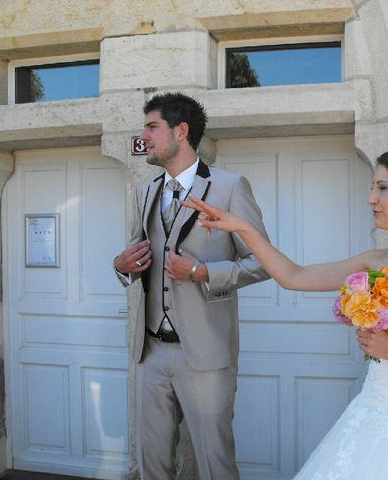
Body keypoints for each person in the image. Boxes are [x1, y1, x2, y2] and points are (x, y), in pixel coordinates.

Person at [183, 144, 388, 479]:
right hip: (370, 414)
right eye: (372, 187)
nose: (371, 198)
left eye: (383, 187)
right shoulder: (376, 261)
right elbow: (293, 276)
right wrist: (242, 227)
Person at [113, 92, 269, 480]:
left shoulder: (230, 187)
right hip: (150, 352)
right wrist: (121, 265)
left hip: (205, 353)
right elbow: (134, 253)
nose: (144, 135)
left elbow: (262, 263)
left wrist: (202, 272)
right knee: (153, 464)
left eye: (152, 126)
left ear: (181, 131)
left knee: (213, 463)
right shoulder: (144, 191)